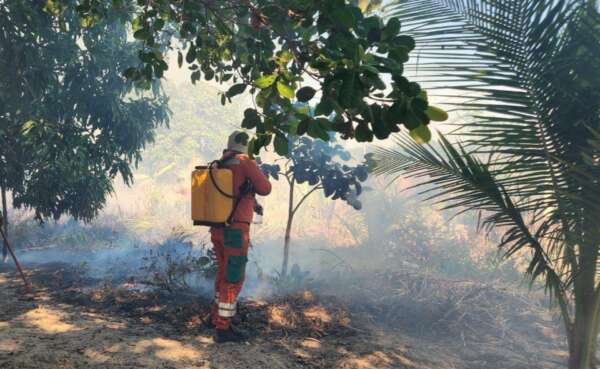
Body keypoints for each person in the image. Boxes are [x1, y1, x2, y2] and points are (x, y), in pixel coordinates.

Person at [210, 130, 271, 343]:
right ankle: (223, 328)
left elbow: (232, 192)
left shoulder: (219, 163)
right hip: (236, 230)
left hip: (217, 229)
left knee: (223, 273)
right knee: (233, 276)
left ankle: (216, 317)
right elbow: (265, 188)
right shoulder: (244, 162)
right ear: (246, 146)